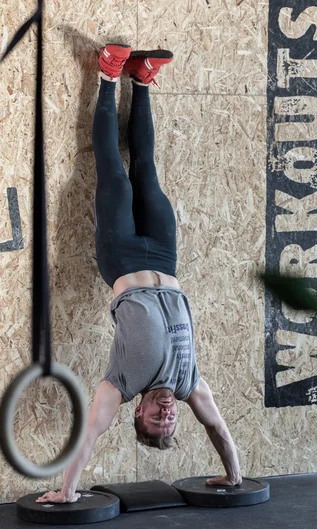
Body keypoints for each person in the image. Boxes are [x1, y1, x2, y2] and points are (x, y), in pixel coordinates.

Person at [37, 44, 242, 504]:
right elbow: (218, 427)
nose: (166, 413)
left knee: (114, 170)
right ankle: (143, 80)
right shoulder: (190, 383)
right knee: (147, 168)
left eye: (156, 420)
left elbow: (89, 435)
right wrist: (233, 476)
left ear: (138, 414)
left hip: (122, 257)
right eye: (170, 421)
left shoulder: (121, 384)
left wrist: (68, 491)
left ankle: (110, 75)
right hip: (165, 257)